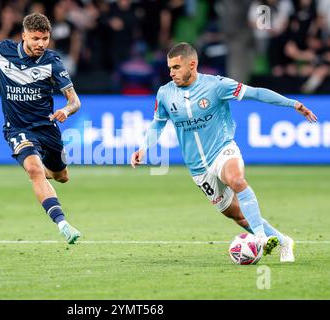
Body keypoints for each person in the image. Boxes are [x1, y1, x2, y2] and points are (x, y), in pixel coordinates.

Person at [131, 42, 318, 262]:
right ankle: (283, 241)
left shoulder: (216, 86)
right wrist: (144, 148)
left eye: (176, 67)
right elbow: (158, 124)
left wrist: (292, 104)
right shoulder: (165, 93)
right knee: (237, 215)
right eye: (169, 68)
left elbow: (256, 93)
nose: (171, 73)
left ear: (192, 64)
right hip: (197, 168)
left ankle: (259, 238)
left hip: (222, 149)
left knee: (236, 180)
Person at [0, 13, 82, 244]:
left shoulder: (52, 62)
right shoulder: (4, 50)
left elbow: (75, 101)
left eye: (45, 39)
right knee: (35, 171)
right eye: (36, 38)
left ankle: (40, 170)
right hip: (17, 128)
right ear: (24, 35)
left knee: (61, 176)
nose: (41, 44)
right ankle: (63, 224)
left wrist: (66, 110)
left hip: (47, 129)